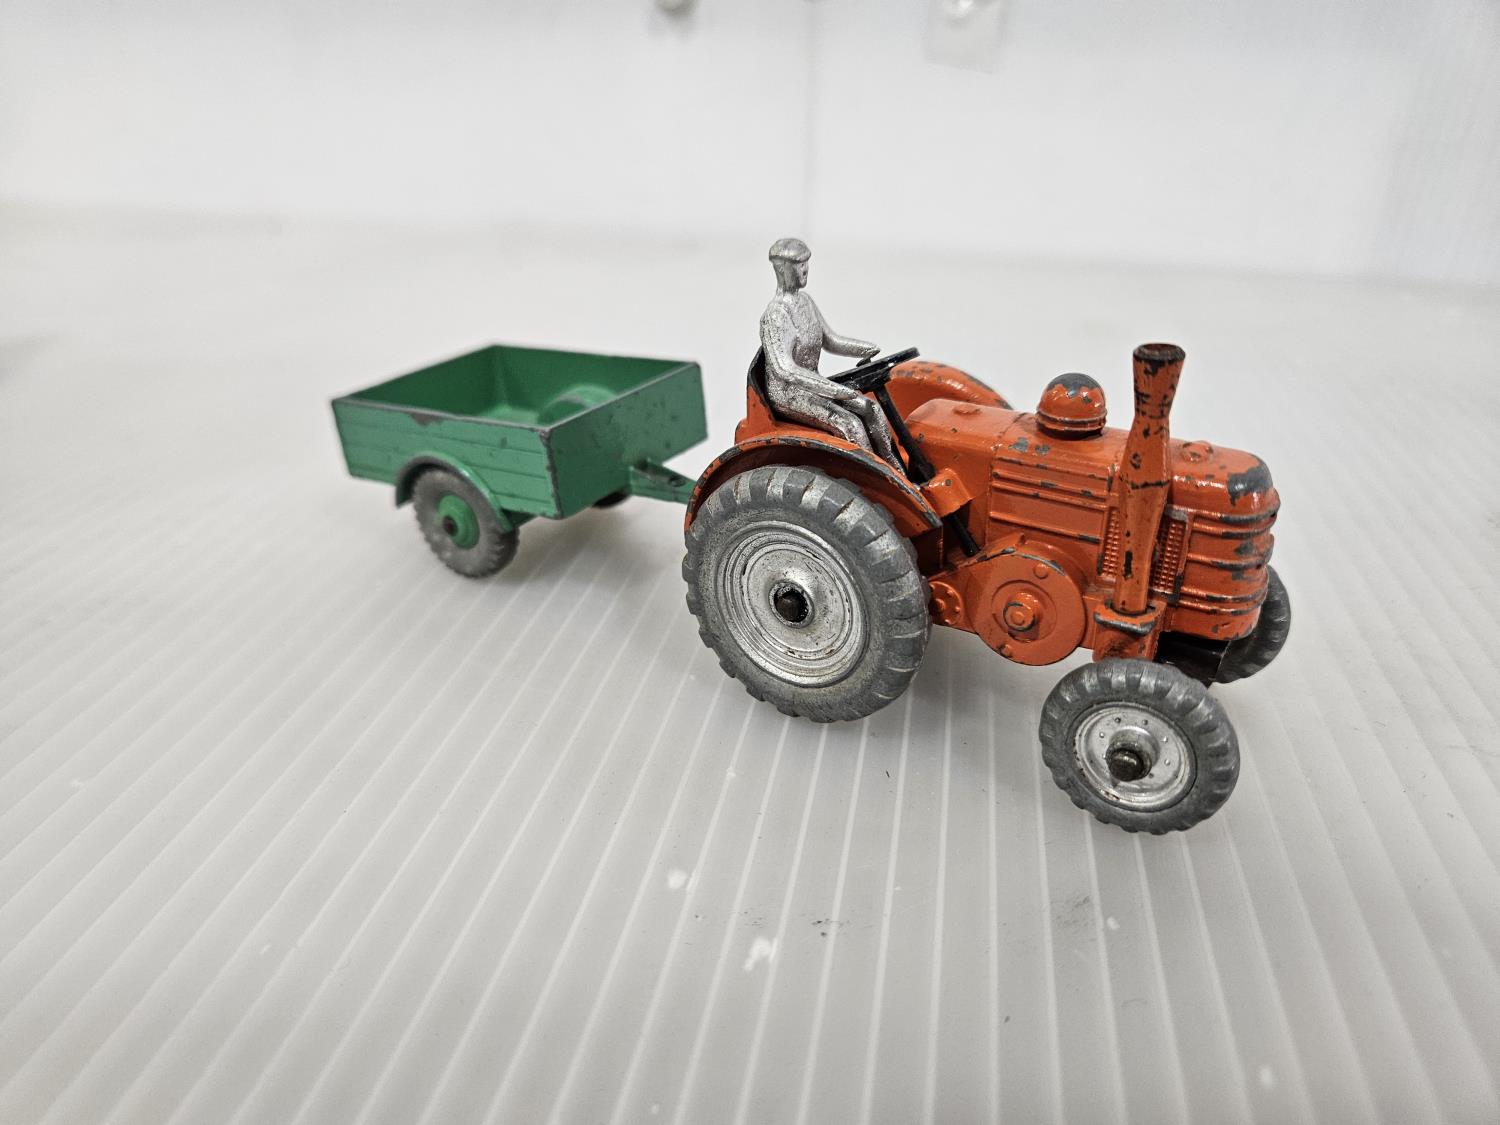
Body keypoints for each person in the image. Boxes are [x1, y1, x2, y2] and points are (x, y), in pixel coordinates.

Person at [759, 238, 902, 469]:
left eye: (806, 263)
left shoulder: (805, 301)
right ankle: (869, 478)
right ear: (781, 268)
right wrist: (834, 390)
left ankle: (894, 469)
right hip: (789, 394)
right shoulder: (775, 316)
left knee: (872, 408)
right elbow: (785, 370)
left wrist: (865, 348)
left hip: (814, 384)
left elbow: (832, 341)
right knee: (850, 425)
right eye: (799, 264)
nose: (805, 269)